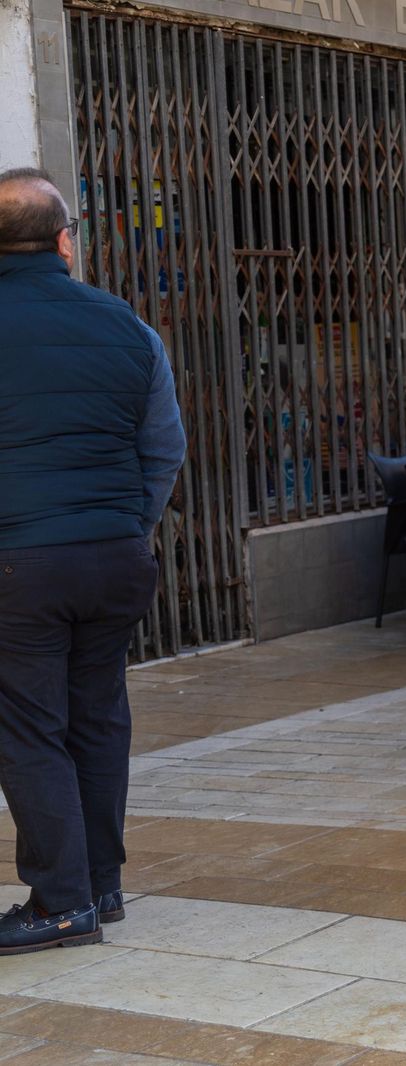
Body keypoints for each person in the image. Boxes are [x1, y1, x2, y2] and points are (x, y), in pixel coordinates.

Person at [0, 168, 185, 953]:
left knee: (30, 728)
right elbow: (164, 449)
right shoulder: (128, 325)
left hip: (20, 562)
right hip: (116, 558)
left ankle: (60, 903)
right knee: (99, 719)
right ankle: (101, 885)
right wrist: (126, 524)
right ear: (66, 239)